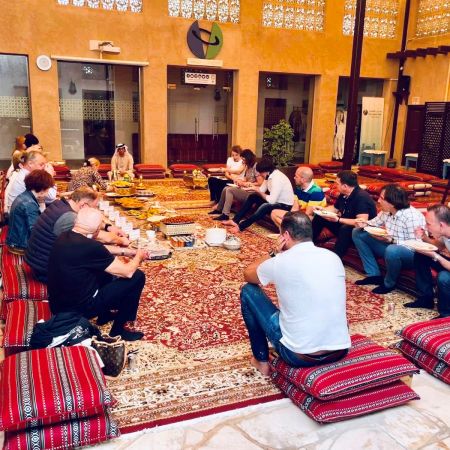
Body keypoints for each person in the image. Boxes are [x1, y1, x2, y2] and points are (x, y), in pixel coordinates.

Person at [240, 212, 350, 376]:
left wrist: (273, 253)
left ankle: (261, 361)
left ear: (285, 235)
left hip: (298, 355)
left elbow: (248, 274)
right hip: (339, 350)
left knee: (248, 290)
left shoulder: (280, 261)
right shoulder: (333, 257)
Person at [48, 207, 146, 341]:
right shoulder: (90, 246)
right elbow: (127, 272)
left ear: (76, 221)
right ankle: (118, 331)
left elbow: (100, 251)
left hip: (57, 304)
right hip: (79, 310)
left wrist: (129, 252)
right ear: (97, 230)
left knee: (103, 270)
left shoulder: (64, 236)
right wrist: (138, 256)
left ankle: (104, 316)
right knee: (137, 276)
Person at [25, 187, 129, 283]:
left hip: (38, 260)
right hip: (45, 270)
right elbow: (102, 237)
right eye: (94, 207)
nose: (95, 210)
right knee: (105, 270)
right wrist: (122, 241)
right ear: (83, 205)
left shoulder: (60, 204)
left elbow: (87, 221)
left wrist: (108, 227)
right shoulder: (69, 217)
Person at [352, 184, 425, 294]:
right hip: (390, 246)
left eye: (382, 198)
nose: (378, 201)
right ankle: (373, 275)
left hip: (411, 255)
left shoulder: (412, 217)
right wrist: (363, 223)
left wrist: (393, 241)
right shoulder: (387, 211)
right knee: (358, 232)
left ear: (393, 202)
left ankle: (389, 284)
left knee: (392, 249)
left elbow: (417, 245)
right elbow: (373, 223)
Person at [312, 170, 376, 257]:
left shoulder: (361, 197)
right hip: (344, 224)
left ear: (345, 186)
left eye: (337, 183)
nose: (335, 185)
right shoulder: (344, 194)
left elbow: (362, 222)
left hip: (361, 232)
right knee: (320, 217)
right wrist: (322, 210)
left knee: (345, 228)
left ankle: (336, 257)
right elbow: (335, 209)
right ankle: (308, 244)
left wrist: (339, 220)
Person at [223, 158, 294, 233]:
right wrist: (252, 188)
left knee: (265, 206)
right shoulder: (269, 175)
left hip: (284, 206)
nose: (260, 175)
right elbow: (262, 190)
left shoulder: (277, 178)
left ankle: (241, 226)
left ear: (265, 171)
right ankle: (235, 220)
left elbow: (271, 200)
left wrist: (257, 190)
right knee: (253, 197)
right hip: (276, 202)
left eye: (260, 173)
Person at [405, 204, 450, 317]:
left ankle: (446, 314)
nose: (425, 226)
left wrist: (436, 256)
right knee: (421, 254)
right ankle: (426, 298)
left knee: (444, 277)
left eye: (428, 224)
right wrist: (424, 237)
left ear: (441, 225)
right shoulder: (445, 231)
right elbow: (440, 246)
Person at [6, 170, 55, 255]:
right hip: (20, 245)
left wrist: (42, 202)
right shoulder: (29, 204)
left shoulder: (26, 195)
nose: (47, 194)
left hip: (16, 240)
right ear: (42, 189)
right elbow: (35, 231)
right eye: (47, 190)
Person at [209, 148, 263, 221]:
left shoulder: (256, 167)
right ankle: (219, 209)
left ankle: (225, 214)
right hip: (246, 188)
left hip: (252, 192)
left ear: (248, 158)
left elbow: (260, 183)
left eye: (244, 160)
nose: (243, 161)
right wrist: (240, 181)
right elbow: (246, 178)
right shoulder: (248, 166)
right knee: (226, 188)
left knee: (230, 190)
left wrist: (248, 184)